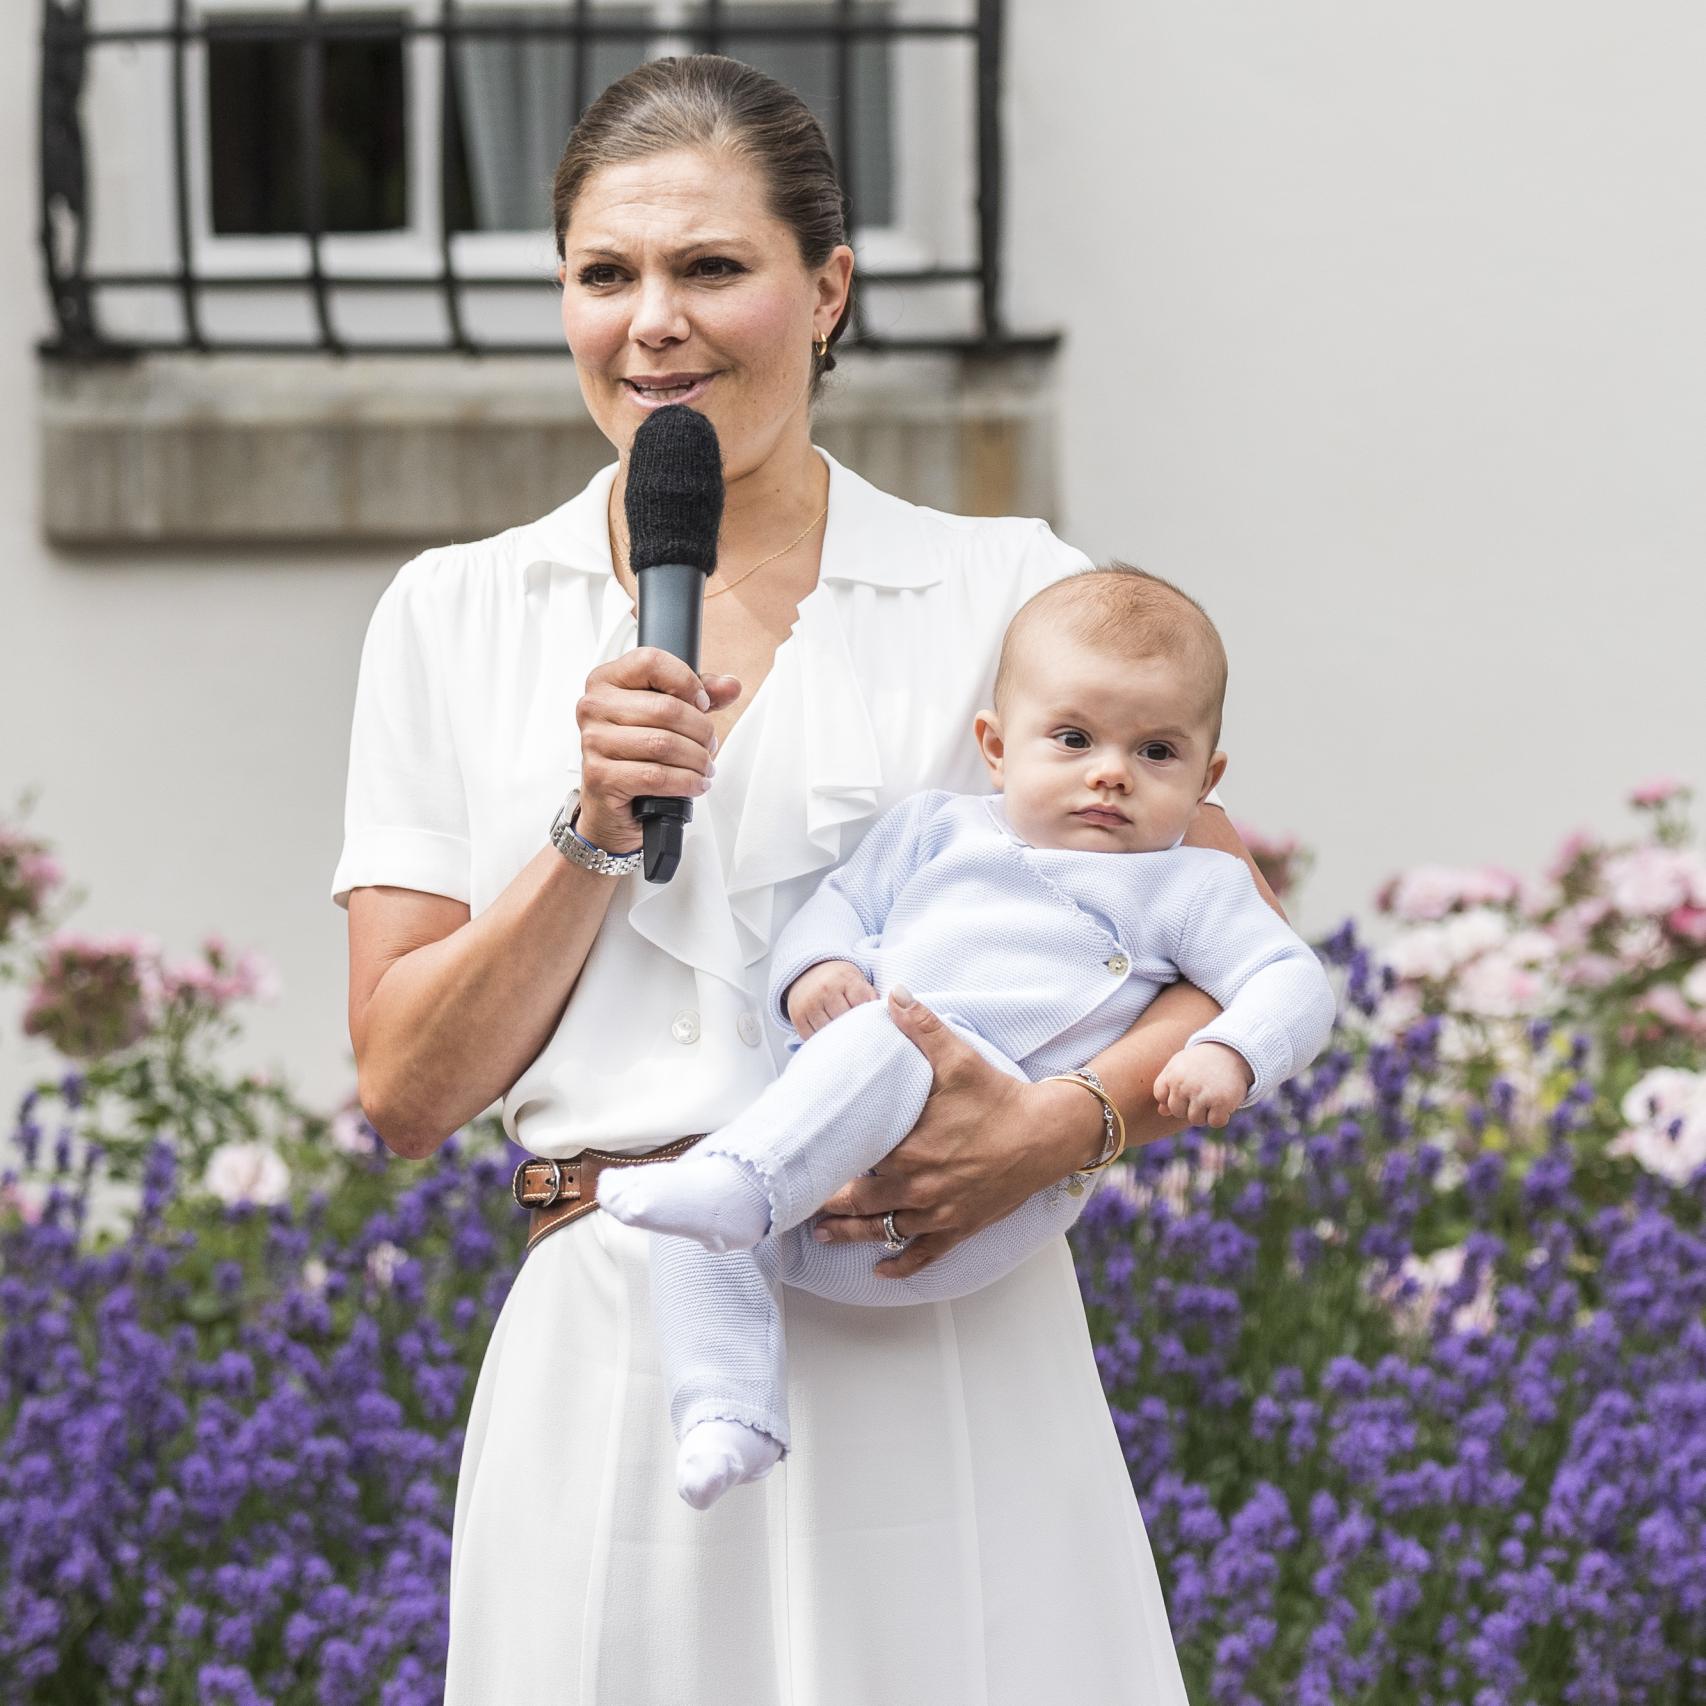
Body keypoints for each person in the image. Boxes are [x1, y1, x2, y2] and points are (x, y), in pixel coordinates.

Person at [334, 53, 1283, 1706]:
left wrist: (1068, 1126)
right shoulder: (452, 612)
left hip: (938, 1341)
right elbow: (408, 1088)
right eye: (604, 274)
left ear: (826, 286)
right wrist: (589, 832)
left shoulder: (1005, 588)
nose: (654, 324)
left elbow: (1231, 943)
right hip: (621, 1354)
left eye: (712, 268)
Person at [600, 565, 1338, 1510]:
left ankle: (743, 1186)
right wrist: (815, 972)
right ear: (996, 747)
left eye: (1157, 752)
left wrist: (1229, 1052)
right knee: (696, 1217)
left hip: (982, 1196)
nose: (1110, 771)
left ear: (1208, 779)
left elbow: (1292, 980)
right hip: (823, 1183)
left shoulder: (1188, 886)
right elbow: (837, 906)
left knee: (890, 1035)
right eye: (1072, 739)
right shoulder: (933, 832)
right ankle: (726, 1416)